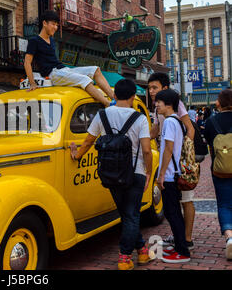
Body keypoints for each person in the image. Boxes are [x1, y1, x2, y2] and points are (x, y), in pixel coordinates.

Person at [69, 79, 153, 270]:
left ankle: (142, 251)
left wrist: (77, 154)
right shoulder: (139, 118)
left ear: (114, 96)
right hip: (135, 172)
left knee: (126, 214)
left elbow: (89, 141)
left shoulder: (102, 115)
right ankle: (124, 257)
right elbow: (147, 150)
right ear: (133, 97)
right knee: (131, 215)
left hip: (110, 173)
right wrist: (148, 172)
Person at [24, 10, 115, 107]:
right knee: (84, 80)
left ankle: (114, 98)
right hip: (52, 74)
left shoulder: (51, 40)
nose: (55, 27)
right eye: (53, 24)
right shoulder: (34, 41)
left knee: (95, 69)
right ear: (44, 23)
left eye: (57, 25)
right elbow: (27, 62)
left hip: (63, 70)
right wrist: (32, 83)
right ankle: (108, 104)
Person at [147, 72, 195, 250]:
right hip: (170, 164)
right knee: (173, 208)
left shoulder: (175, 105)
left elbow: (190, 130)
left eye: (155, 88)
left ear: (165, 89)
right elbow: (155, 130)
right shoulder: (158, 108)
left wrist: (183, 160)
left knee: (185, 201)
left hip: (178, 165)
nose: (151, 92)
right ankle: (180, 238)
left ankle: (186, 240)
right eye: (149, 88)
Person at [155, 89, 191, 263]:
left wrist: (161, 175)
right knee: (174, 212)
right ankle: (179, 247)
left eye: (158, 102)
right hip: (174, 174)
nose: (156, 105)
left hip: (169, 175)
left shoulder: (169, 122)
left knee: (173, 213)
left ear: (168, 104)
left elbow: (168, 149)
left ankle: (182, 252)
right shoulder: (177, 121)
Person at [204, 89, 232, 260]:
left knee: (224, 204)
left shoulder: (211, 121)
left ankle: (229, 236)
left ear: (219, 103)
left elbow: (208, 143)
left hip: (220, 169)